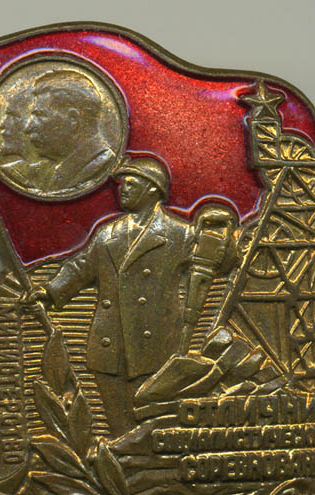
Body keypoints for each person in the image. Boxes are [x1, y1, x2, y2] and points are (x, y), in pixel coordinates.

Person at [28, 157, 195, 436]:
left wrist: (224, 239)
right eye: (122, 185)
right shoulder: (107, 235)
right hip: (110, 346)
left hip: (157, 347)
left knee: (156, 422)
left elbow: (216, 265)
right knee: (118, 426)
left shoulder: (181, 234)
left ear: (153, 189)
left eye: (131, 184)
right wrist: (49, 291)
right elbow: (81, 267)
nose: (122, 190)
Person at [24, 70, 116, 193]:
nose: (28, 128)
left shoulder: (101, 167)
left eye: (40, 115)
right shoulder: (56, 171)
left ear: (73, 120)